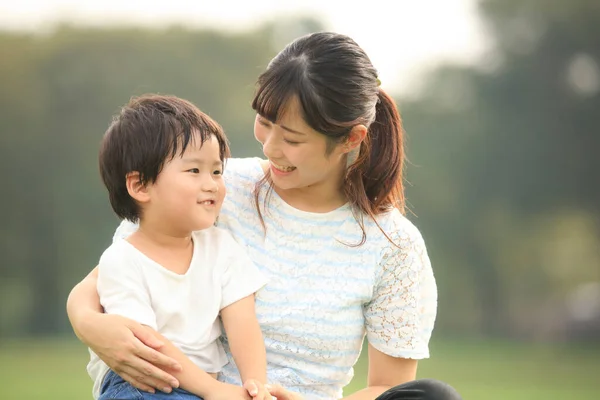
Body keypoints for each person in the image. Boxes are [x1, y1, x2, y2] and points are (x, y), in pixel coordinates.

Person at [67, 32, 463, 400]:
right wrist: (90, 325)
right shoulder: (217, 187)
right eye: (265, 123)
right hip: (194, 393)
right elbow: (110, 273)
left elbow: (386, 387)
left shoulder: (394, 244)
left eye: (292, 139)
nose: (271, 147)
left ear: (351, 138)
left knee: (432, 397)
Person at [88, 94, 270, 400]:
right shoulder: (121, 260)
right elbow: (146, 349)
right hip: (142, 383)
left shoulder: (222, 248)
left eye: (216, 171)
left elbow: (244, 326)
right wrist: (213, 390)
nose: (212, 183)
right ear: (140, 186)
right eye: (194, 171)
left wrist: (256, 386)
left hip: (198, 389)